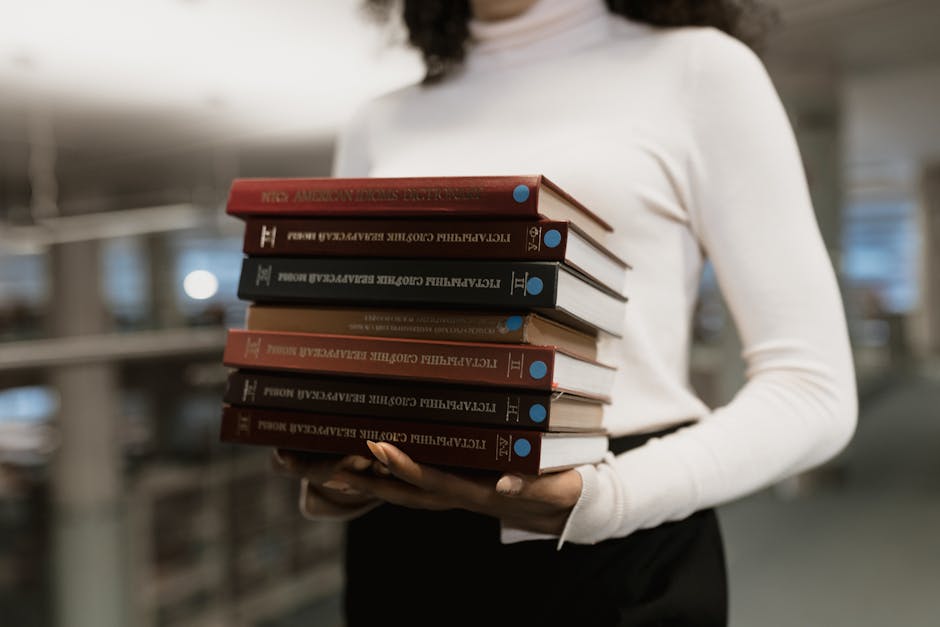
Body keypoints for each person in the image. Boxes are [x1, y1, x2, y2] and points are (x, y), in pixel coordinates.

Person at [273, 0, 858, 625]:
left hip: (621, 525)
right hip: (409, 544)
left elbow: (813, 389)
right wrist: (339, 469)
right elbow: (355, 357)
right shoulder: (380, 119)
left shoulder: (698, 68)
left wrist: (605, 499)